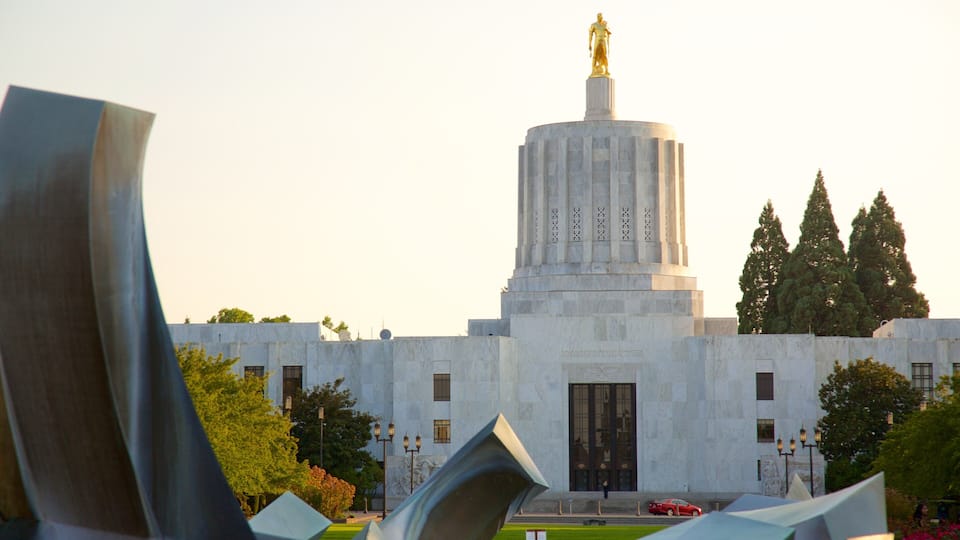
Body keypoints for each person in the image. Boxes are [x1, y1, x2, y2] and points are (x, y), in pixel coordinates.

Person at [588, 13, 612, 77]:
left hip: (603, 39)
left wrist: (606, 27)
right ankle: (593, 70)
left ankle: (606, 70)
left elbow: (609, 32)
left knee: (605, 55)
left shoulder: (605, 24)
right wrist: (590, 44)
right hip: (597, 40)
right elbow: (590, 34)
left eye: (601, 16)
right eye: (598, 16)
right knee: (595, 55)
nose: (599, 17)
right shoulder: (594, 25)